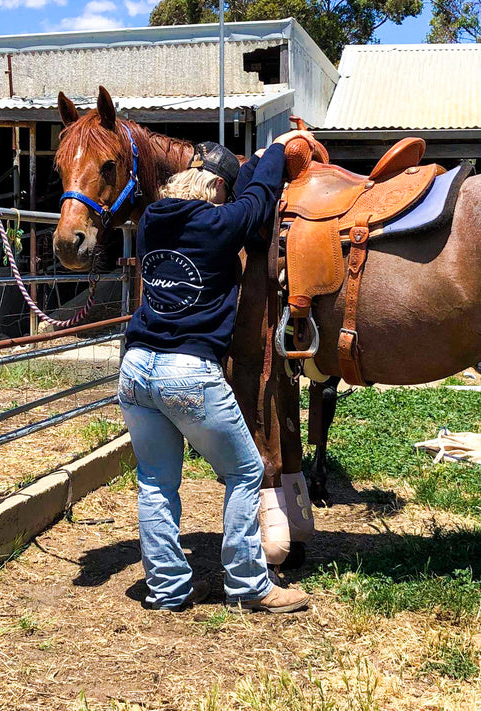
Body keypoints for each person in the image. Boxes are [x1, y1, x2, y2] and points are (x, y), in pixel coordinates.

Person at [118, 129, 314, 613]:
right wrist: (273, 151)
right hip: (188, 371)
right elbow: (260, 195)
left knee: (156, 482)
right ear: (219, 193)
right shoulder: (222, 224)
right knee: (246, 470)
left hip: (135, 368)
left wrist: (235, 172)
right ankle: (250, 584)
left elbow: (238, 192)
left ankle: (168, 590)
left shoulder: (149, 225)